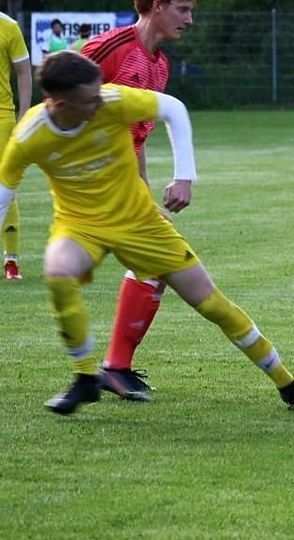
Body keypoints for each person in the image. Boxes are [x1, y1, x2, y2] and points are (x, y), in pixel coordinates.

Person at [0, 51, 294, 415]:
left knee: (212, 304)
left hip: (141, 223)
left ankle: (290, 386)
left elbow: (173, 109)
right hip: (80, 226)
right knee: (58, 272)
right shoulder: (30, 135)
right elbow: (4, 193)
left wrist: (185, 175)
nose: (99, 102)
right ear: (59, 104)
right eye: (89, 99)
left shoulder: (112, 100)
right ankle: (85, 377)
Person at [81, 0, 197, 402]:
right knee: (166, 262)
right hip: (97, 183)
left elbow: (136, 136)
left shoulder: (160, 65)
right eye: (183, 9)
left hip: (124, 185)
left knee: (157, 264)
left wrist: (142, 187)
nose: (190, 20)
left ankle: (115, 367)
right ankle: (113, 367)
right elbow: (61, 103)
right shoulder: (108, 49)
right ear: (157, 6)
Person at [0, 12, 32, 281]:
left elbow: (23, 72)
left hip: (2, 117)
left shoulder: (9, 26)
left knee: (5, 185)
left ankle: (11, 259)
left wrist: (23, 115)